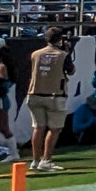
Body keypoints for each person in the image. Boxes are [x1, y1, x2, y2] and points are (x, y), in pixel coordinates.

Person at [23, 28, 76, 174]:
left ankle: (35, 160)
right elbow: (71, 71)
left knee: (38, 127)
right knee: (54, 129)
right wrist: (67, 52)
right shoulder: (63, 55)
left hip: (34, 93)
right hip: (55, 95)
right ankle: (46, 160)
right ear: (60, 39)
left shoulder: (35, 54)